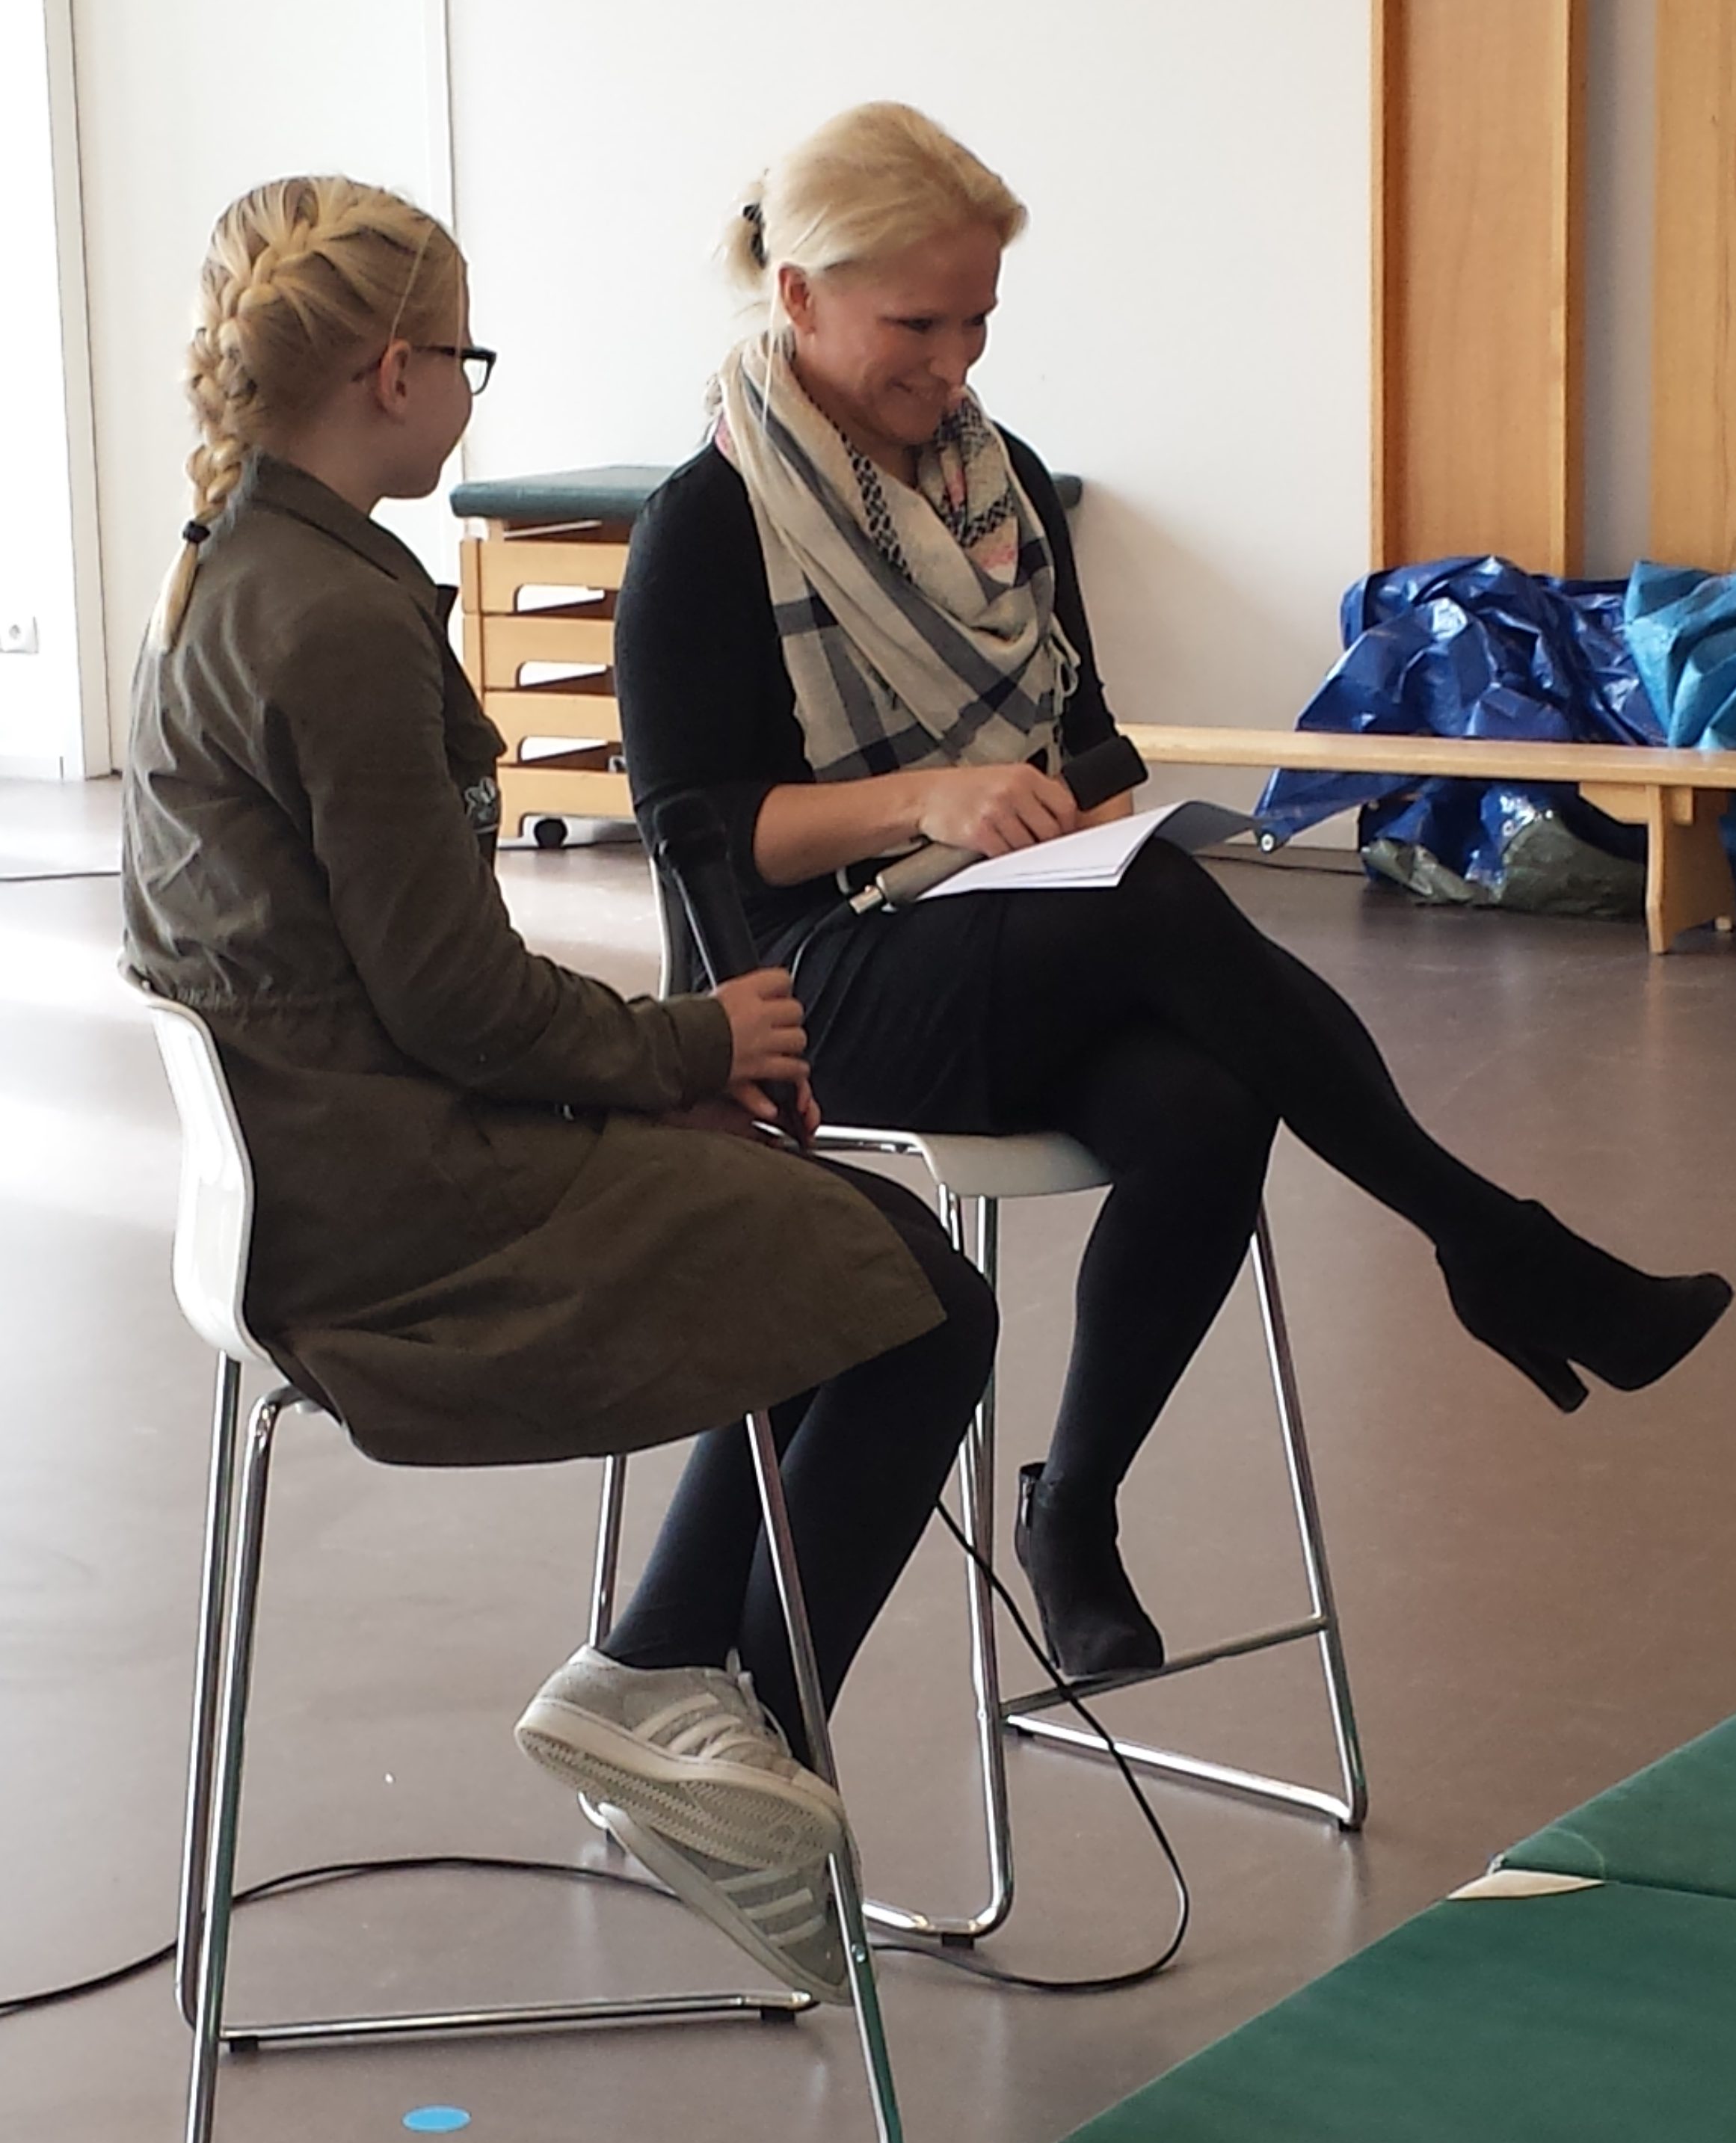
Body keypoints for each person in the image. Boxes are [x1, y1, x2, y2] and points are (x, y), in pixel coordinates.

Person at [615, 100, 1731, 1687]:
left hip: (998, 938)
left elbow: (1084, 742)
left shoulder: (1000, 489)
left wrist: (1079, 824)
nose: (954, 361)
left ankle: (1073, 1508)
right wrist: (928, 798)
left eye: (979, 319)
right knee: (1146, 915)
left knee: (1207, 1103)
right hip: (796, 982)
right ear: (797, 295)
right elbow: (700, 834)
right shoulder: (706, 522)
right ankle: (1493, 1245)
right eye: (916, 324)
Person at [122, 173, 997, 2005]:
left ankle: (678, 1703)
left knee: (839, 1238)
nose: (469, 390)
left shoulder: (234, 569)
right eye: (465, 358)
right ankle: (710, 1734)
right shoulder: (337, 623)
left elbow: (399, 992)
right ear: (392, 372)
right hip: (398, 1224)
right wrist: (693, 1046)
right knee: (923, 1291)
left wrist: (633, 1088)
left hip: (322, 1174)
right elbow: (453, 1000)